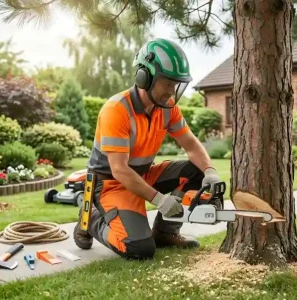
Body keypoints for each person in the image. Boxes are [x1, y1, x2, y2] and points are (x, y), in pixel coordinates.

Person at [73, 38, 221, 260]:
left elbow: (190, 144)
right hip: (111, 184)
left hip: (144, 174)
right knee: (139, 249)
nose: (172, 92)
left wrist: (210, 172)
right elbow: (120, 170)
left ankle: (165, 232)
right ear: (145, 77)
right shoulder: (117, 110)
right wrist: (160, 200)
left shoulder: (168, 108)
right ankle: (92, 217)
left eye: (176, 84)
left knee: (196, 171)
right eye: (168, 83)